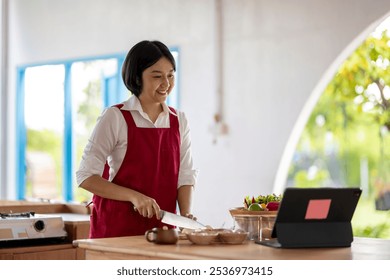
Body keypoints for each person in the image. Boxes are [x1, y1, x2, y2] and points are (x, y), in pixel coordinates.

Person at [76, 40, 198, 238]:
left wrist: (185, 216)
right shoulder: (115, 117)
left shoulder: (179, 120)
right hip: (116, 232)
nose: (166, 84)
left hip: (163, 233)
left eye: (170, 75)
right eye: (157, 76)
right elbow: (86, 176)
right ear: (137, 78)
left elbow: (185, 175)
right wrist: (134, 197)